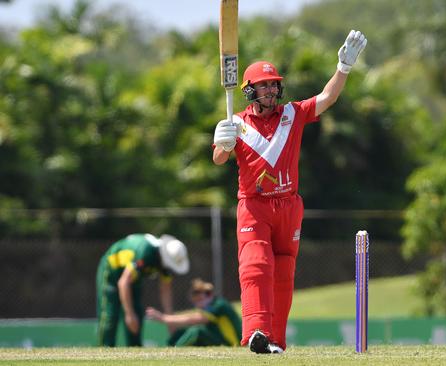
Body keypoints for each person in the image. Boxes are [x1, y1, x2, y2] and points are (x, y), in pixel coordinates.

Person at [211, 29, 367, 353]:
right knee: (256, 263)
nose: (270, 90)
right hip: (254, 206)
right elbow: (218, 158)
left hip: (289, 206)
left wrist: (344, 68)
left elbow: (327, 98)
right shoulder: (235, 123)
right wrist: (223, 141)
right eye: (263, 85)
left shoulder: (292, 114)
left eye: (273, 84)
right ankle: (256, 331)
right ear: (249, 90)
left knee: (283, 273)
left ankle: (276, 343)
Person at [96, 233, 190, 347]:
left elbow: (165, 290)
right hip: (111, 272)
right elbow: (123, 282)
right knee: (110, 316)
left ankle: (134, 351)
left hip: (133, 279)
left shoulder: (165, 266)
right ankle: (104, 350)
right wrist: (129, 314)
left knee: (137, 316)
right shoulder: (146, 253)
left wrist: (169, 320)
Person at [146, 278, 242, 347]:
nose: (198, 304)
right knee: (182, 332)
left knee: (196, 331)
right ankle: (167, 349)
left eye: (200, 299)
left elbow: (194, 319)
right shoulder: (209, 306)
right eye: (196, 301)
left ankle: (175, 352)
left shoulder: (219, 305)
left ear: (208, 294)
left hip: (232, 343)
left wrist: (163, 318)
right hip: (219, 339)